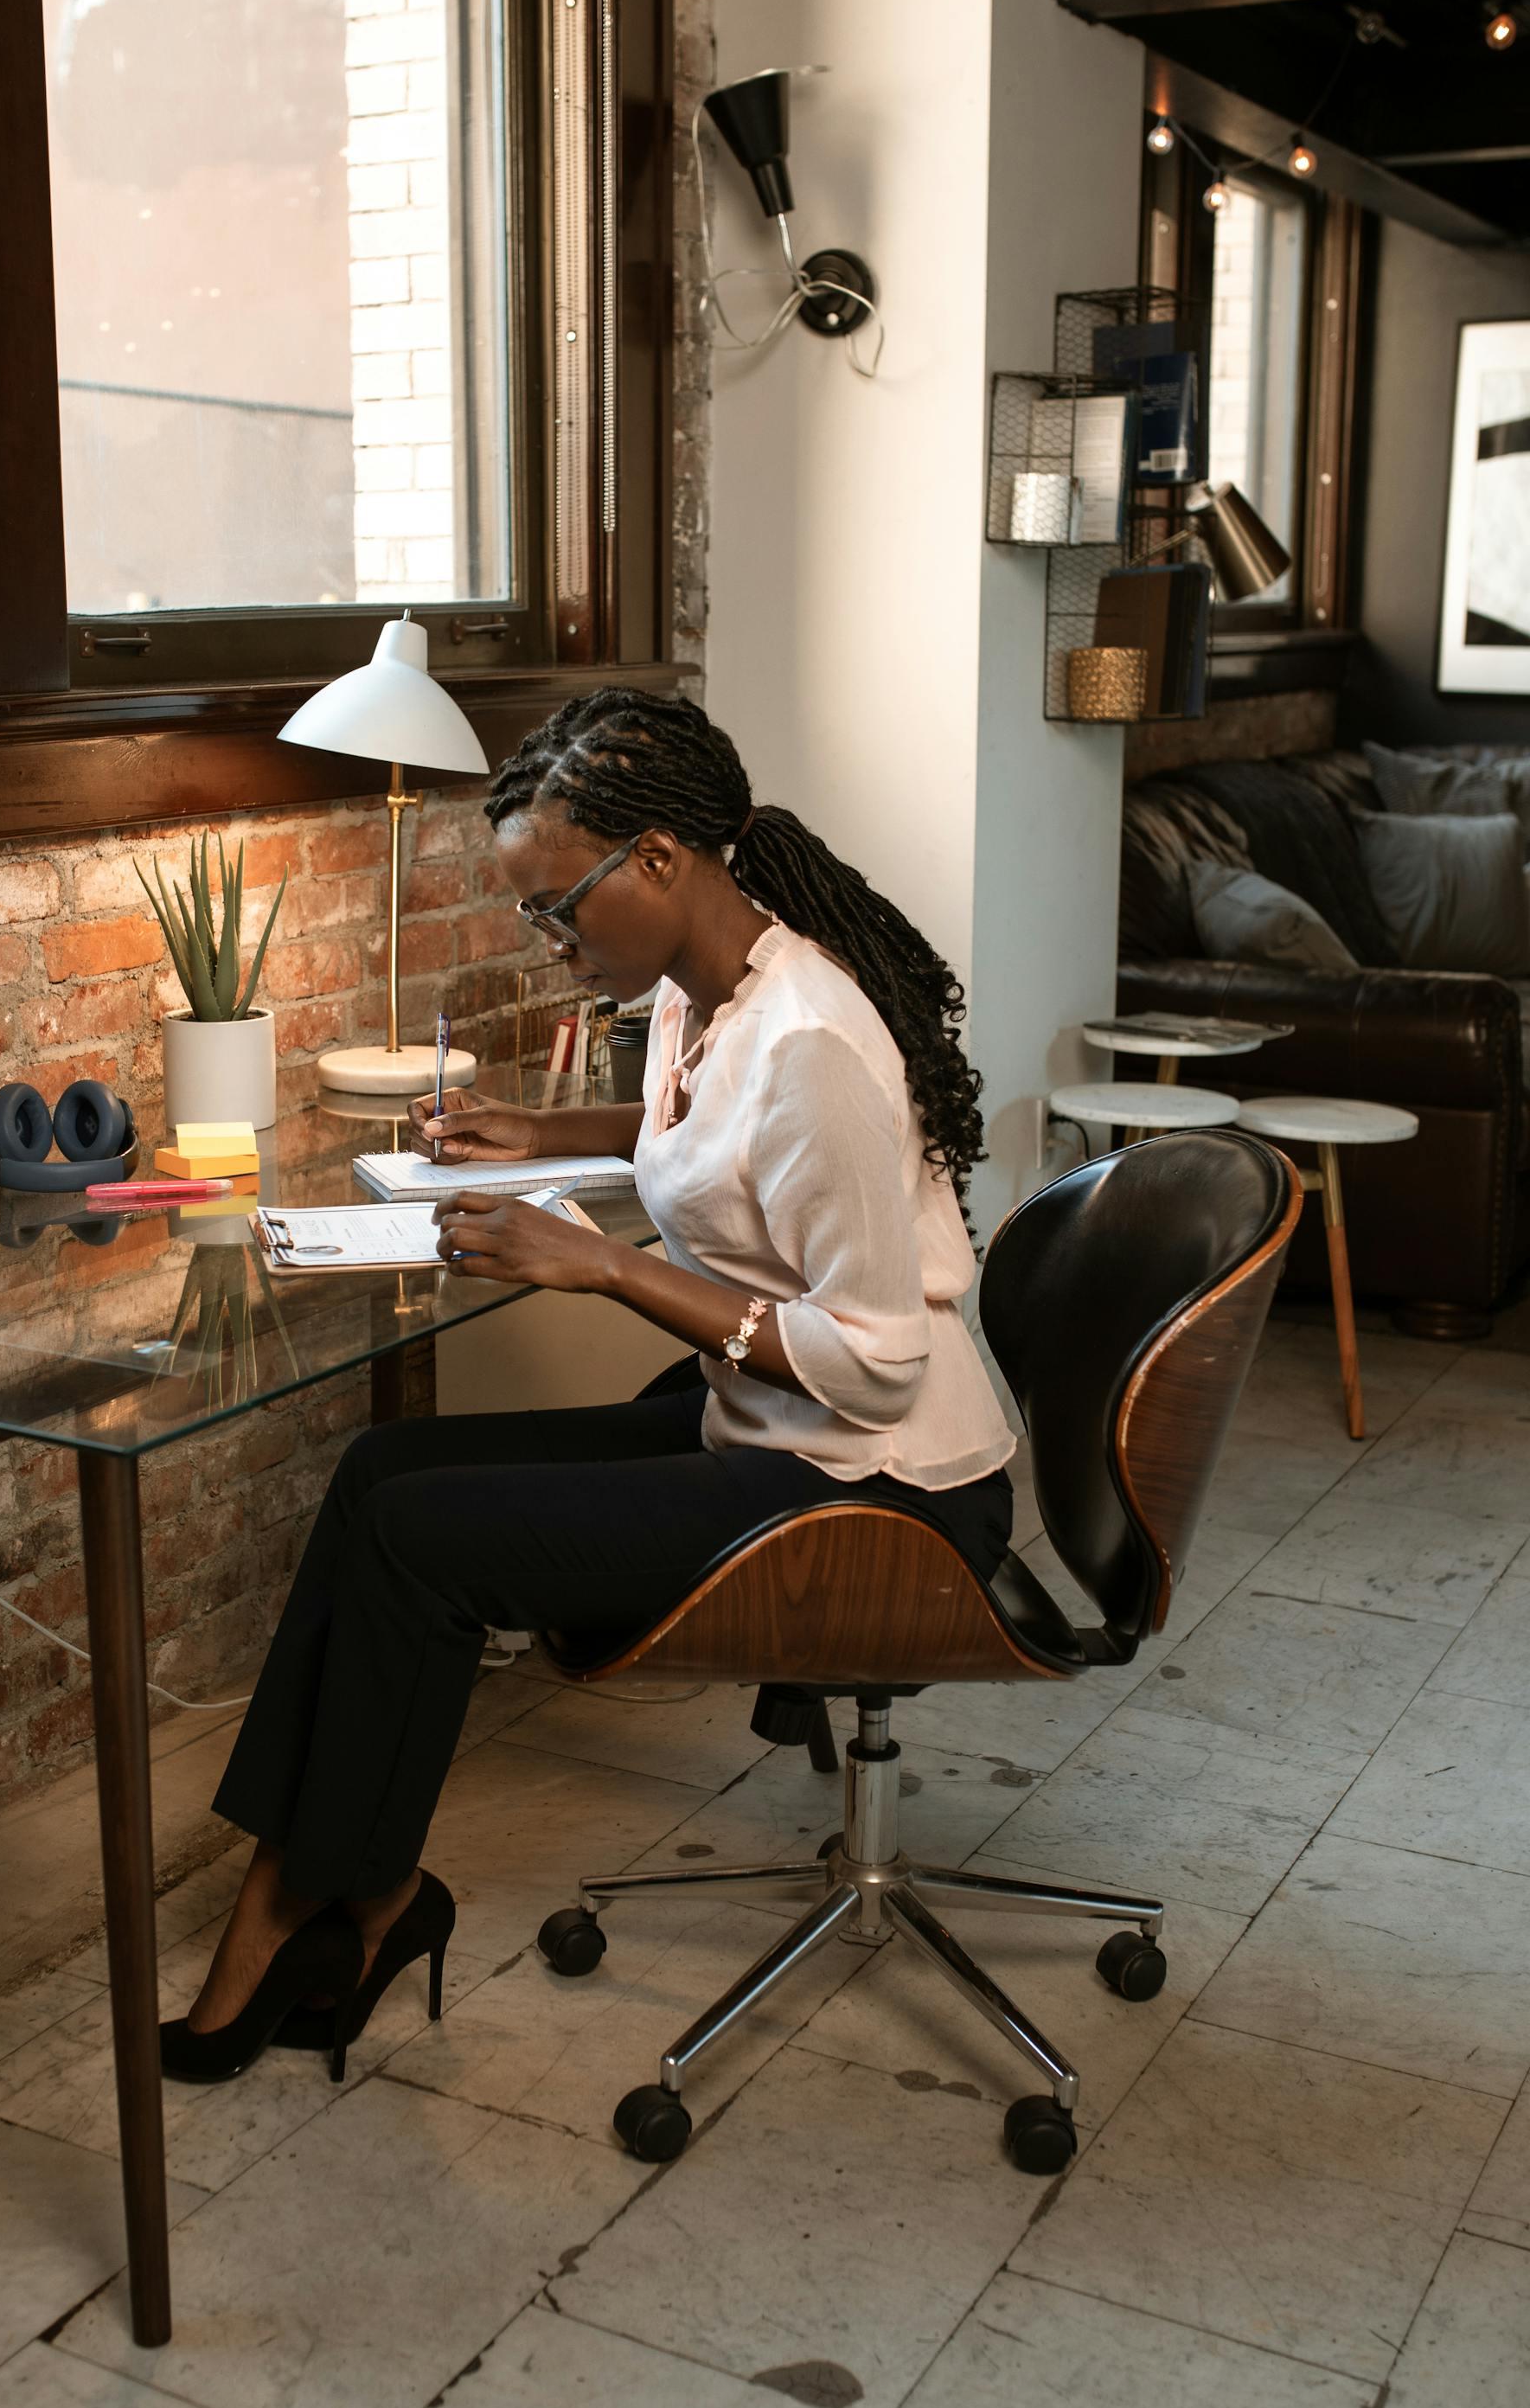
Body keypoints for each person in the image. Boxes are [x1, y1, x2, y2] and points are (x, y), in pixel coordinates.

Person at [161, 689, 1016, 2085]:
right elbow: (718, 1130)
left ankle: (328, 1901)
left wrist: (607, 1271)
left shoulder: (810, 1038)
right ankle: (326, 1884)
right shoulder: (712, 986)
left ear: (665, 859)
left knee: (423, 1543)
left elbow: (876, 1363)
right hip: (782, 1431)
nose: (550, 945)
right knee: (385, 1474)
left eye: (561, 909)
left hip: (887, 1492)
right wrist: (542, 1131)